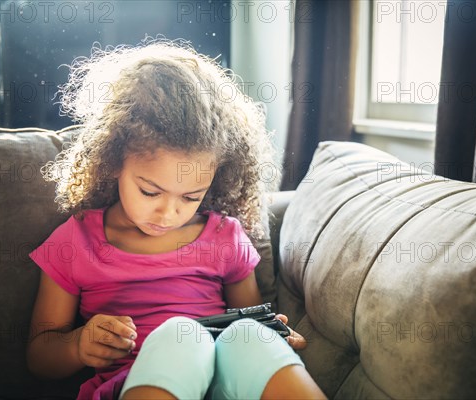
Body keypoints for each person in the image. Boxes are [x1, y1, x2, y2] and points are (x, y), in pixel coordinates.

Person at [26, 38, 326, 400]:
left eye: (190, 197)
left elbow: (244, 318)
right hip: (137, 381)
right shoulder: (76, 242)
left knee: (248, 336)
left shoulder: (223, 236)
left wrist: (267, 329)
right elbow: (39, 357)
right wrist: (78, 345)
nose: (168, 214)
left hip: (227, 382)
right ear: (113, 162)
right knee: (181, 335)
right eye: (150, 192)